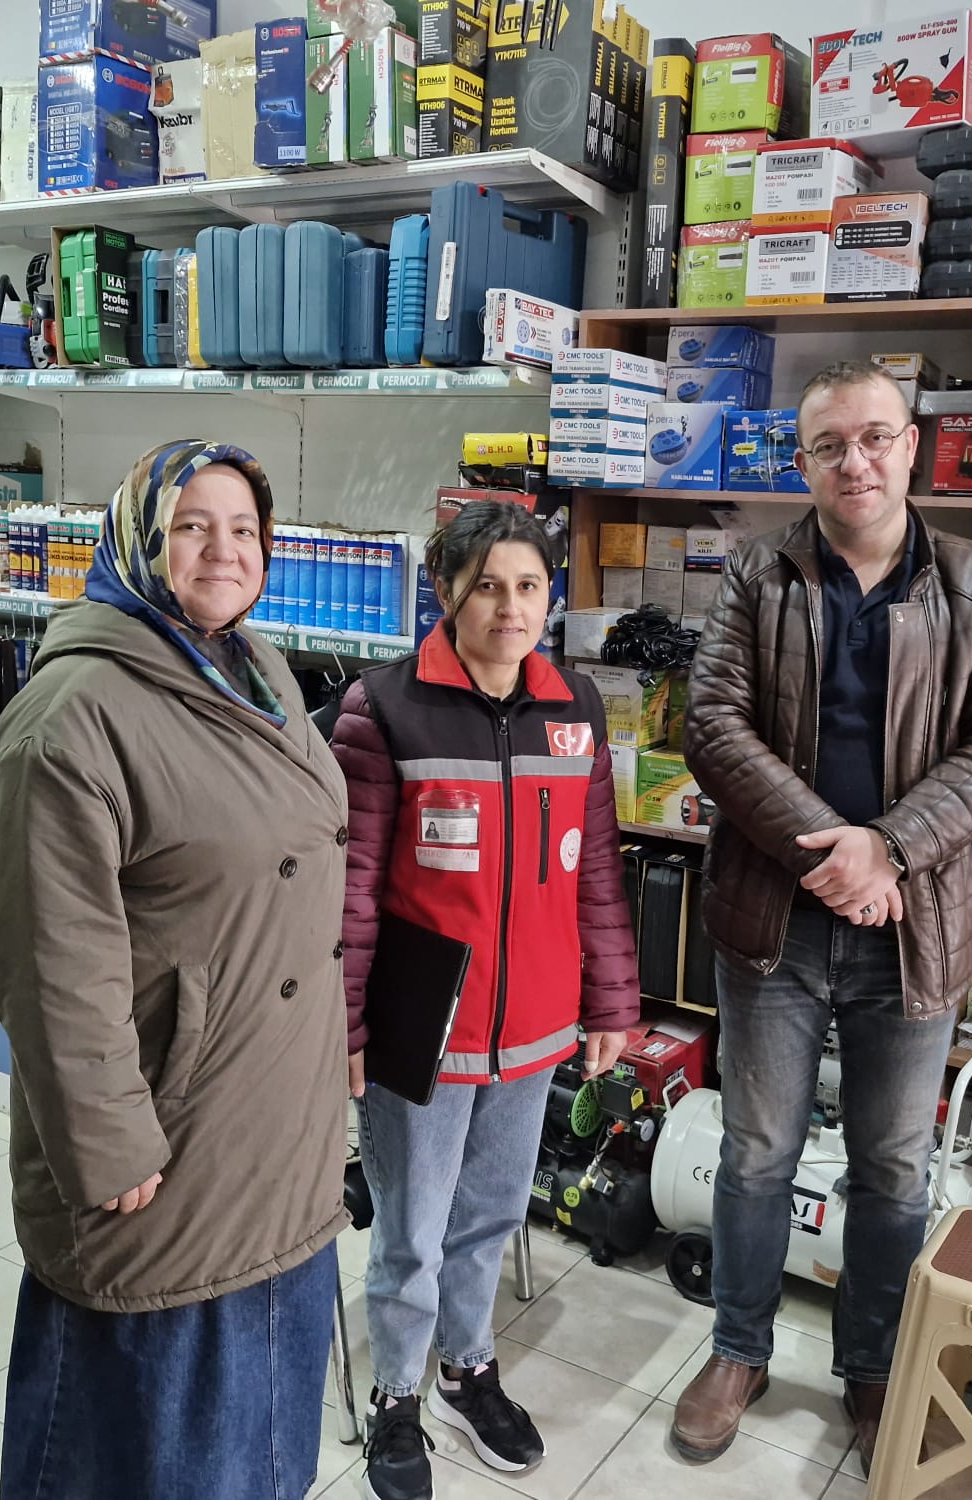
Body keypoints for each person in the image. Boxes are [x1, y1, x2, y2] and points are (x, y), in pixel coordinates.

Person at [671, 362, 972, 1474]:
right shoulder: (756, 571)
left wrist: (889, 849)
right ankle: (737, 1350)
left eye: (875, 437)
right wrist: (831, 854)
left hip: (914, 927)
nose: (855, 462)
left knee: (892, 1166)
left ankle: (872, 1367)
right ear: (802, 463)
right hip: (773, 921)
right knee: (754, 1154)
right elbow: (711, 725)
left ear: (911, 445)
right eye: (830, 444)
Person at [0, 440, 350, 1500]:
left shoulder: (251, 665)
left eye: (244, 530)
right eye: (192, 526)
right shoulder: (74, 714)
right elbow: (50, 957)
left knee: (258, 1448)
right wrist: (104, 1139)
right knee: (146, 1447)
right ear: (139, 539)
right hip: (168, 1147)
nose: (223, 551)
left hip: (274, 1124)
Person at [331, 500, 639, 1500]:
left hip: (538, 1020)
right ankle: (396, 1396)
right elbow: (351, 888)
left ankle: (466, 1369)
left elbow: (596, 867)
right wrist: (346, 1024)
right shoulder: (384, 707)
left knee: (495, 1212)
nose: (511, 608)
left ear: (551, 597)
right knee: (412, 1229)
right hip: (424, 1027)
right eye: (488, 587)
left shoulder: (575, 707)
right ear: (446, 593)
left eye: (529, 587)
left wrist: (611, 1001)